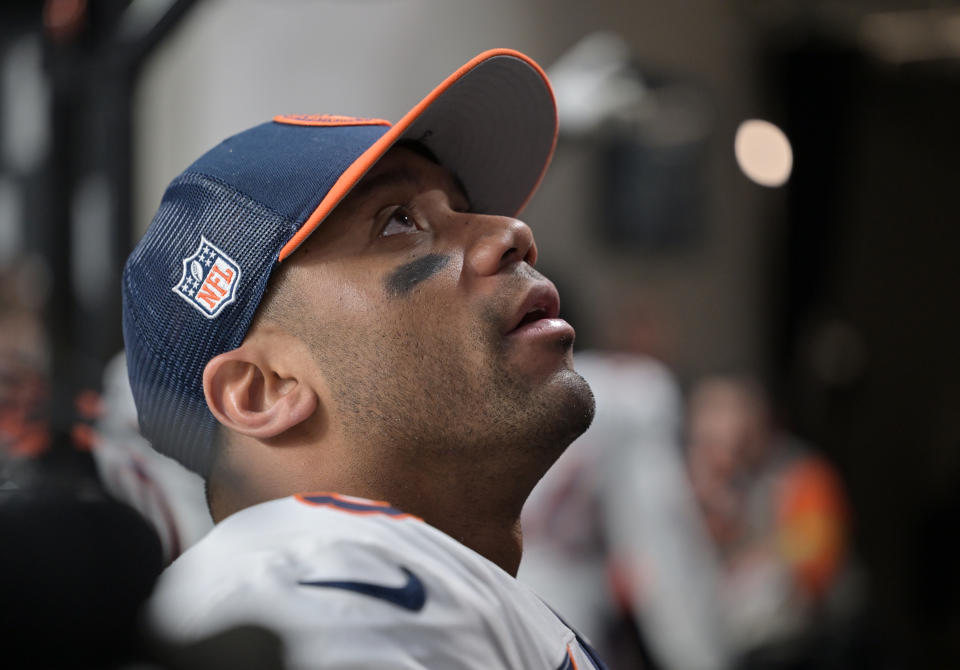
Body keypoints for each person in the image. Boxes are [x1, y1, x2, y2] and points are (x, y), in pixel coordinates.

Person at [122, 49, 602, 669]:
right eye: (398, 222)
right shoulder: (305, 576)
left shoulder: (393, 573)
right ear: (263, 389)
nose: (511, 230)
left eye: (458, 207)